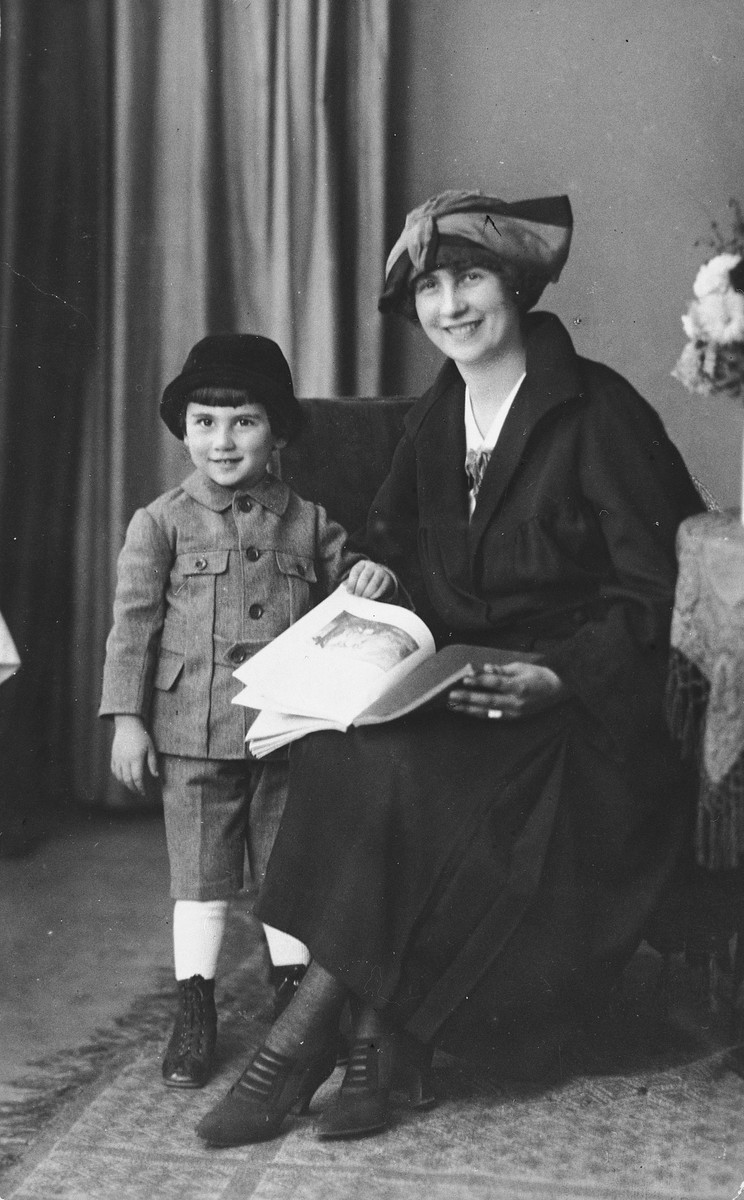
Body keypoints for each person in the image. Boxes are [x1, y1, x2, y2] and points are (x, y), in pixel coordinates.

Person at [196, 192, 705, 1148]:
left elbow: (660, 592)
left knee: (416, 776)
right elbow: (390, 540)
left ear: (515, 283)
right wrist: (373, 590)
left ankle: (301, 1046)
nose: (451, 306)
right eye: (430, 287)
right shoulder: (443, 411)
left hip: (582, 711)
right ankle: (377, 1045)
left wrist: (560, 676)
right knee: (348, 754)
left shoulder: (597, 412)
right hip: (462, 678)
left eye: (470, 277)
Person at [99, 334, 395, 1090]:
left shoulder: (309, 521)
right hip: (191, 731)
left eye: (244, 422)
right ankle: (194, 1005)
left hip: (283, 728)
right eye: (204, 422)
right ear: (184, 430)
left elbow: (349, 591)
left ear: (278, 432)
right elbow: (132, 626)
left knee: (287, 867)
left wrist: (372, 574)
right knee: (199, 874)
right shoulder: (159, 523)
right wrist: (126, 719)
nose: (222, 441)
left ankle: (295, 1002)